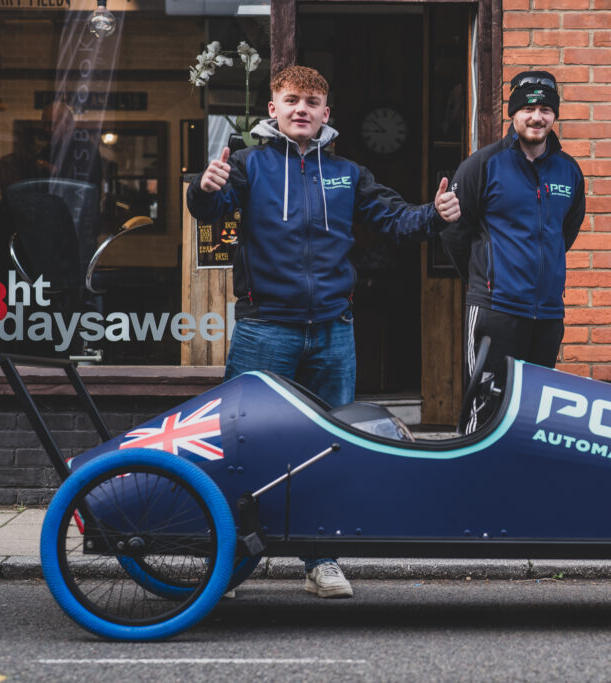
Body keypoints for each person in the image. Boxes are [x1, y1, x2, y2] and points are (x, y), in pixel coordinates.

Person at [187, 65, 461, 599]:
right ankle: (222, 560)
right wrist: (203, 188)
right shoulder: (247, 166)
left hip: (333, 333)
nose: (301, 110)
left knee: (330, 447)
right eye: (291, 100)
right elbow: (211, 209)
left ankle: (321, 560)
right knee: (240, 443)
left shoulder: (347, 174)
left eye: (312, 102)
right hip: (265, 330)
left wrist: (437, 215)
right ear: (273, 109)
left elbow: (395, 219)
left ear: (325, 114)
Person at [441, 70, 585, 431]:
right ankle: (474, 482)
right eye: (528, 108)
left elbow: (564, 233)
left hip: (548, 314)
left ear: (555, 115)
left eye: (545, 110)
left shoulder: (569, 171)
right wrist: (484, 278)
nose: (537, 117)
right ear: (513, 113)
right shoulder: (484, 165)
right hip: (496, 309)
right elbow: (454, 231)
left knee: (534, 410)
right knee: (486, 404)